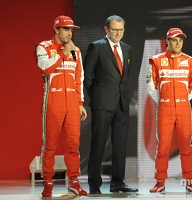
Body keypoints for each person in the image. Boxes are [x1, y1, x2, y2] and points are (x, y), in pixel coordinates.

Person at [83, 15, 138, 194]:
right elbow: (87, 75)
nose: (118, 33)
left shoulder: (127, 48)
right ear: (106, 29)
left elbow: (124, 77)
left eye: (121, 30)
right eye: (115, 29)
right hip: (102, 104)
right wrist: (97, 96)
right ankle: (94, 183)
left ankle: (117, 183)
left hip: (121, 103)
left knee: (120, 145)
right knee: (98, 144)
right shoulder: (97, 47)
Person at [34, 15, 87, 197]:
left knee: (73, 144)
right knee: (50, 145)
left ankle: (74, 181)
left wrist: (80, 103)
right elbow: (45, 68)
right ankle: (48, 182)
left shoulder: (76, 51)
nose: (70, 33)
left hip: (72, 103)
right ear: (56, 29)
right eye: (66, 29)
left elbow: (79, 79)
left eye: (71, 30)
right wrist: (63, 53)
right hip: (53, 102)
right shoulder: (44, 47)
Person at [147, 27, 192, 193]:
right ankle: (160, 182)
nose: (177, 43)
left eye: (180, 40)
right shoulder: (156, 60)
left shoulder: (190, 61)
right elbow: (151, 86)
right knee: (163, 146)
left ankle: (190, 181)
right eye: (174, 40)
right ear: (167, 41)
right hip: (165, 107)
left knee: (186, 146)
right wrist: (164, 100)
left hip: (184, 108)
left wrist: (182, 99)